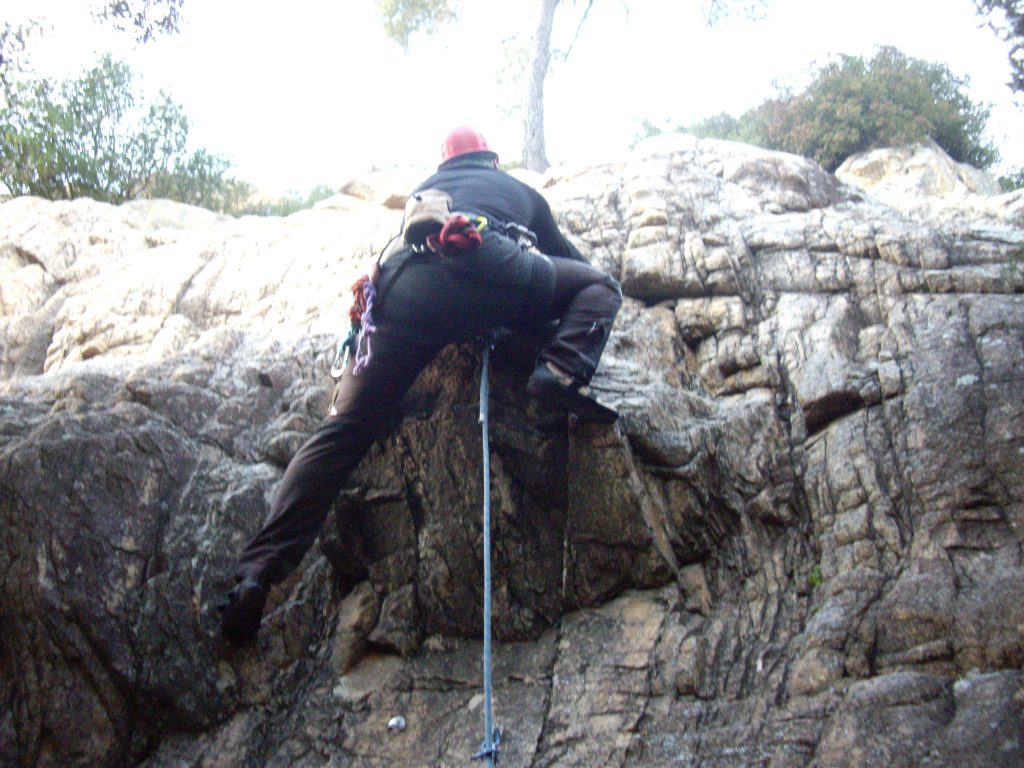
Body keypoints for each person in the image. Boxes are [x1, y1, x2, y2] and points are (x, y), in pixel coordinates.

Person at [219, 126, 622, 647]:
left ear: (444, 165)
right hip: (487, 259)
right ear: (492, 161)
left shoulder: (422, 197)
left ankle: (257, 573)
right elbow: (575, 270)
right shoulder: (520, 194)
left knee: (340, 434)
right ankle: (556, 376)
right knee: (598, 288)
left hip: (400, 291)